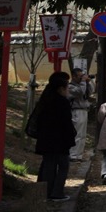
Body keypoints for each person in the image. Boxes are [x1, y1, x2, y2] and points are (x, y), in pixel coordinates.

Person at [34, 71, 75, 201]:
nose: (68, 90)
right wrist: (71, 137)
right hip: (60, 140)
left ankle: (43, 192)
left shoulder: (45, 99)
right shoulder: (62, 102)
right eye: (66, 87)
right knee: (63, 165)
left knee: (48, 165)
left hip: (45, 139)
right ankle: (56, 192)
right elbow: (66, 123)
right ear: (61, 88)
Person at [67, 68, 92, 161]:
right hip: (76, 111)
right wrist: (83, 82)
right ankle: (73, 155)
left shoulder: (82, 85)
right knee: (77, 134)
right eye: (80, 76)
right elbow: (80, 92)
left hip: (84, 110)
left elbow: (89, 92)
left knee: (82, 135)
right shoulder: (70, 86)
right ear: (73, 76)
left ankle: (79, 155)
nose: (82, 78)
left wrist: (88, 82)